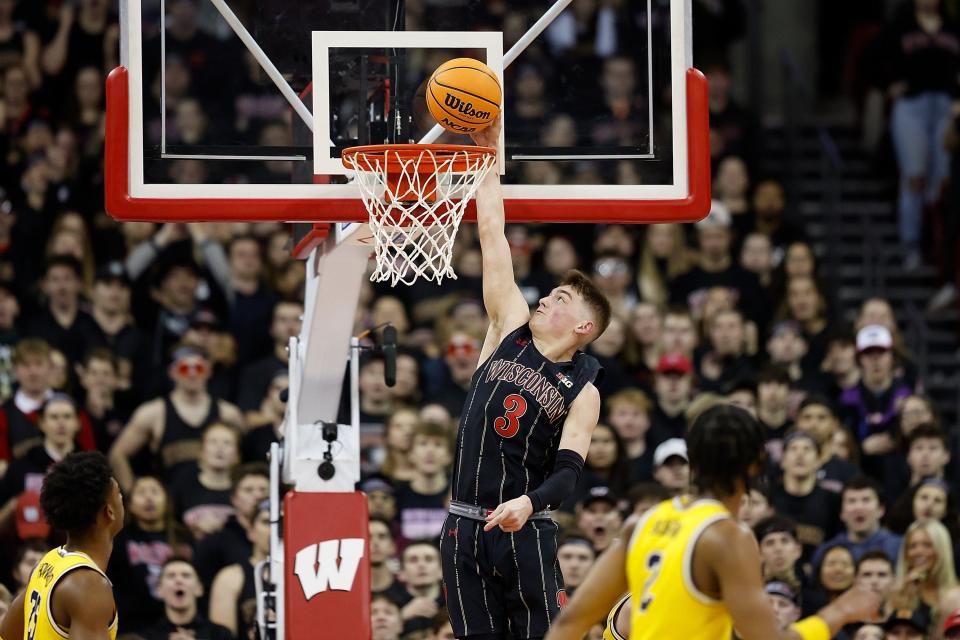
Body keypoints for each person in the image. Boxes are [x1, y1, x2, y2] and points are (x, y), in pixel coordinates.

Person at [440, 117, 608, 640]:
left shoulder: (584, 389)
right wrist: (488, 158)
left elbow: (568, 472)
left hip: (525, 529)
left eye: (560, 299)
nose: (544, 298)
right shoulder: (508, 326)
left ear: (583, 326)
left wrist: (530, 503)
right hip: (463, 524)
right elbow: (492, 233)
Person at [546, 404, 881, 640]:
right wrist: (839, 613)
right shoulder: (727, 538)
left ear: (694, 461)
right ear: (757, 464)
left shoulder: (643, 522)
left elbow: (570, 623)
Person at [0, 451, 124, 640]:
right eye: (119, 495)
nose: (123, 500)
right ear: (109, 512)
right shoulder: (88, 586)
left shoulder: (49, 561)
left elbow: (6, 635)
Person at [108, 345, 244, 492]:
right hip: (169, 505)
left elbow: (242, 459)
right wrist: (133, 494)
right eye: (185, 369)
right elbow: (117, 454)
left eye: (198, 368)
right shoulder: (153, 413)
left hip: (214, 502)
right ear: (172, 372)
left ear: (208, 371)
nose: (192, 375)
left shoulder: (229, 413)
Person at [141, 558, 232, 640]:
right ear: (159, 590)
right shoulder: (147, 637)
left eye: (186, 575)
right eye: (171, 576)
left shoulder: (219, 635)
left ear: (199, 589)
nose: (179, 580)